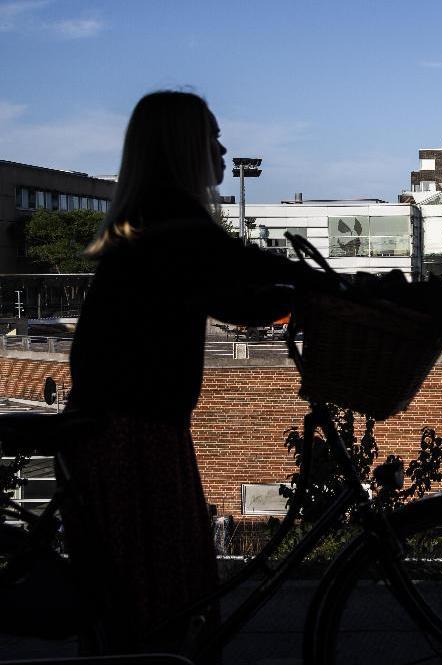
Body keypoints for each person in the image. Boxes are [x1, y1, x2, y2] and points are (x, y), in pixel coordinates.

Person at [62, 90, 336, 657]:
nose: (222, 146)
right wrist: (334, 288)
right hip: (132, 434)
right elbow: (243, 270)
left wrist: (295, 298)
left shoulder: (154, 222)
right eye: (211, 135)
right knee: (156, 598)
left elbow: (233, 295)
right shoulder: (170, 220)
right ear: (183, 145)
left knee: (150, 600)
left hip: (135, 425)